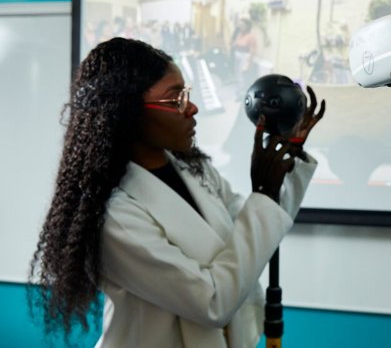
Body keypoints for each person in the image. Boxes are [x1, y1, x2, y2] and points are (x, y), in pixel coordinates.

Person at [29, 37, 325, 347]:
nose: (192, 108)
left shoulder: (193, 170)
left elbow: (254, 231)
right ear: (127, 113)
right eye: (176, 99)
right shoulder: (113, 216)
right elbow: (211, 302)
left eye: (187, 94)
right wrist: (262, 196)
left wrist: (289, 152)